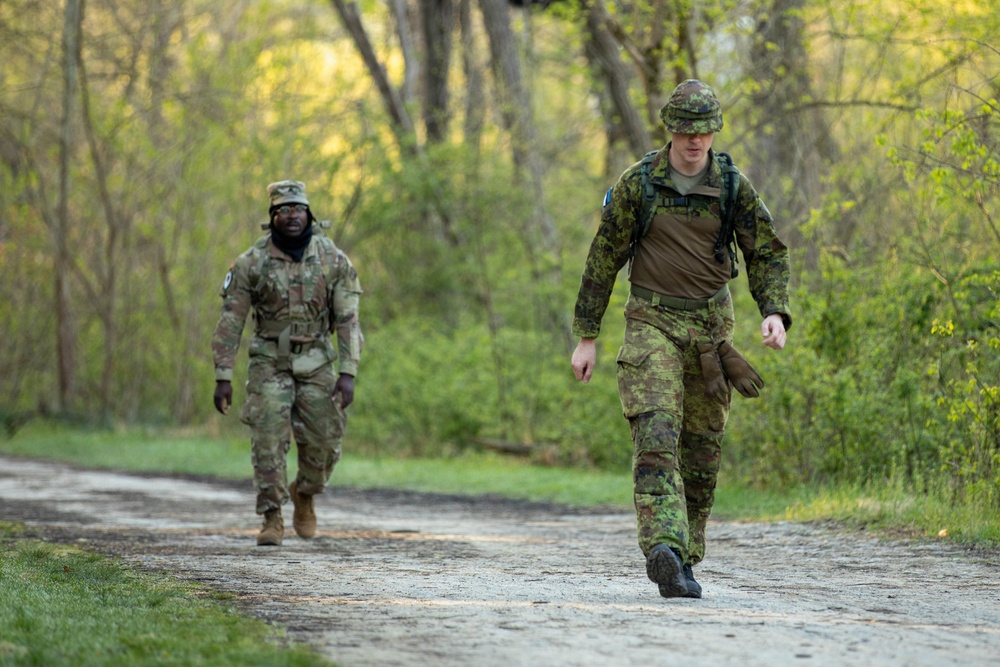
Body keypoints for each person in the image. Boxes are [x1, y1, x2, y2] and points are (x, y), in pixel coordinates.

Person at [570, 80, 791, 598]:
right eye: (685, 130)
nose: (694, 141)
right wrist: (587, 335)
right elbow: (603, 259)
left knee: (701, 454)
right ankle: (663, 546)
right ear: (670, 130)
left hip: (712, 333)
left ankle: (684, 560)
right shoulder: (638, 184)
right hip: (651, 322)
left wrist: (775, 312)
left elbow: (767, 251)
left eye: (704, 131)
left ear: (715, 132)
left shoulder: (732, 185)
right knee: (656, 435)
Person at [212, 180, 363, 546]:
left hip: (317, 360)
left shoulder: (333, 259)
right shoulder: (252, 262)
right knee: (268, 438)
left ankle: (305, 494)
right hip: (269, 360)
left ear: (309, 213)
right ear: (272, 217)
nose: (292, 216)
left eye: (298, 209)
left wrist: (348, 372)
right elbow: (231, 320)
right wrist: (224, 375)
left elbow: (348, 319)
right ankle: (272, 517)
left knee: (325, 441)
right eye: (284, 210)